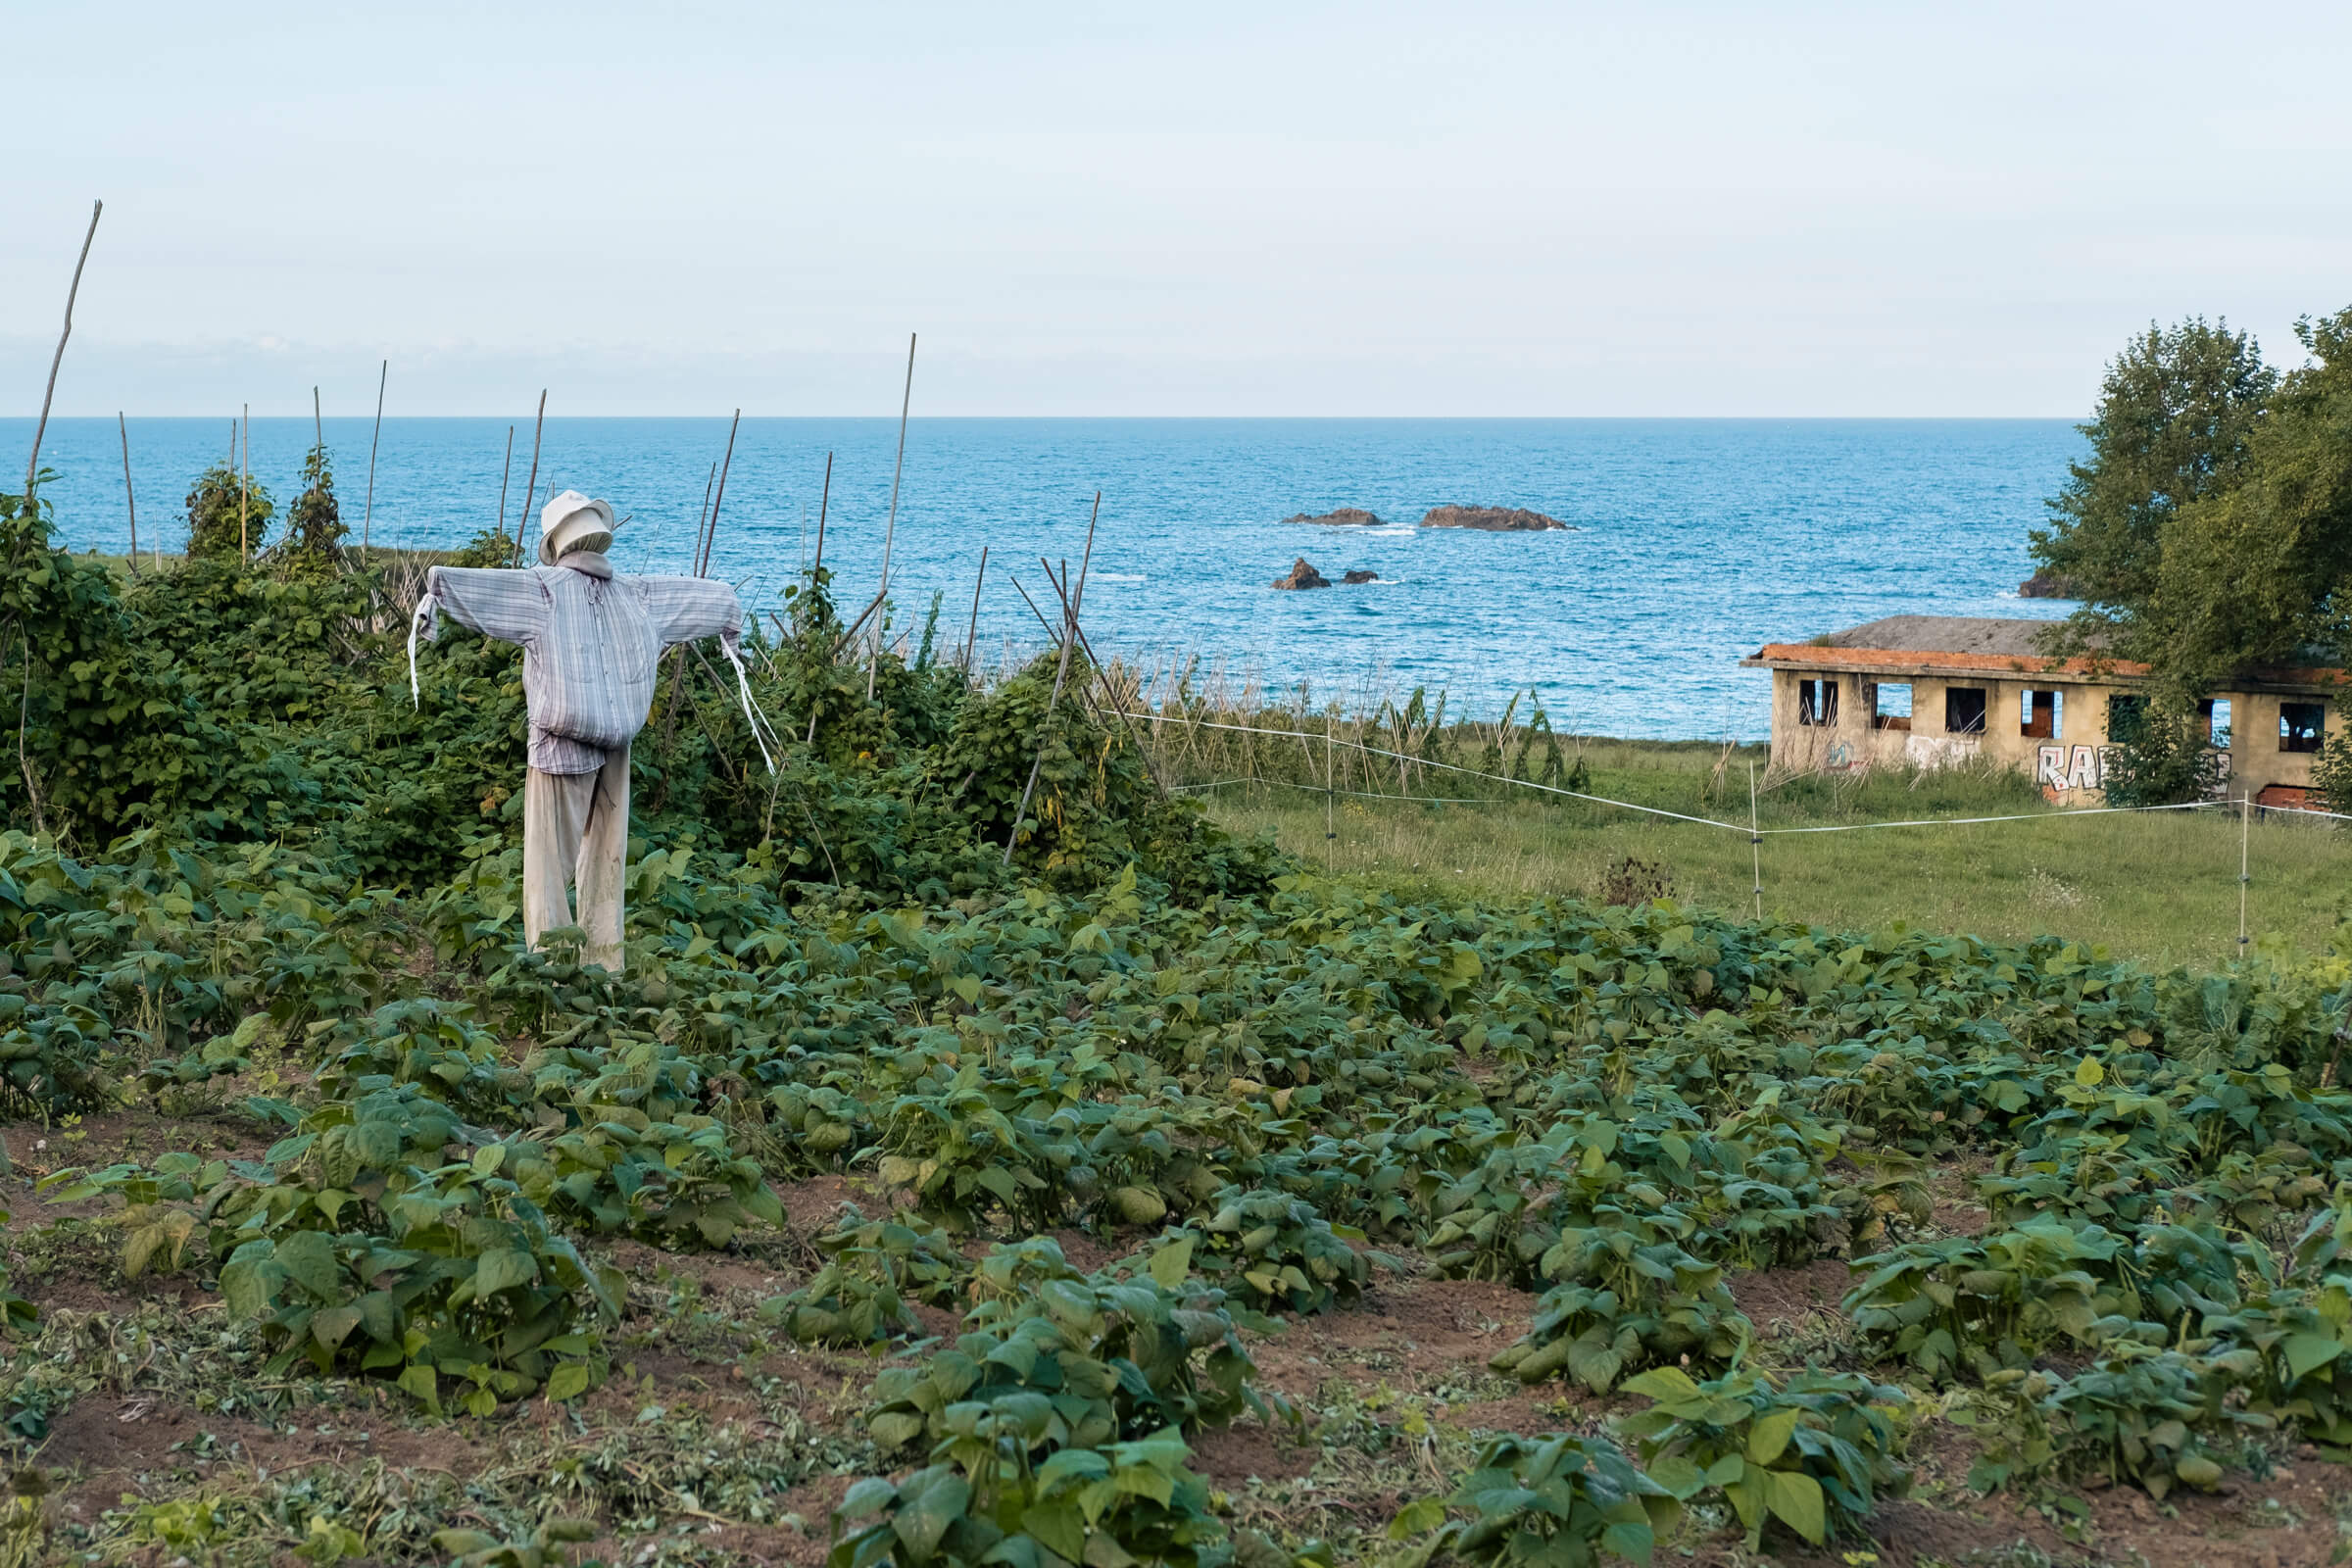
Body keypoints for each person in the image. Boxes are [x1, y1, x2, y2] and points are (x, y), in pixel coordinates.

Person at [409, 490, 763, 972]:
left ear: (557, 542)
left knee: (548, 872)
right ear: (597, 536)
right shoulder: (637, 595)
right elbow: (705, 598)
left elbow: (478, 589)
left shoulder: (544, 591)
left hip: (559, 748)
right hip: (617, 746)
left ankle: (553, 974)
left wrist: (437, 591)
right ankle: (605, 968)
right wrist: (728, 613)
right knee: (606, 866)